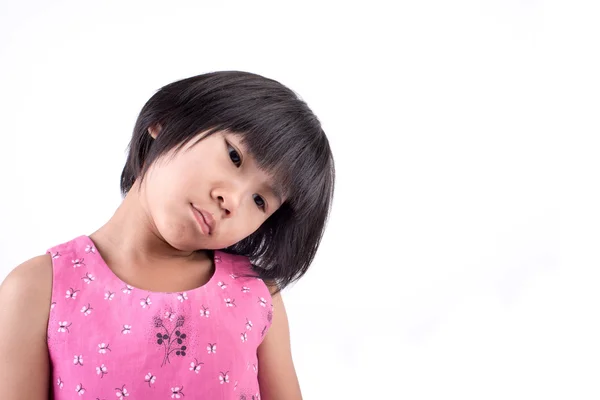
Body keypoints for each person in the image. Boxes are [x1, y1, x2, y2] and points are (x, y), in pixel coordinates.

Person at [0, 71, 335, 400]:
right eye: (234, 156)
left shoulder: (256, 294)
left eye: (259, 201)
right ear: (167, 121)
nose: (232, 201)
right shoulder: (39, 288)